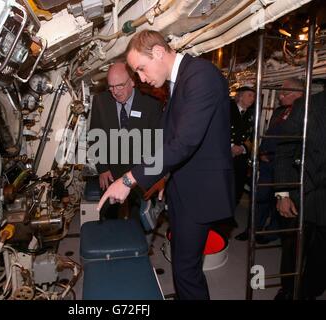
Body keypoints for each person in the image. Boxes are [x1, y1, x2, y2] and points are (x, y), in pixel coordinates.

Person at [97, 30, 235, 299]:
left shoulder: (200, 75)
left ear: (158, 53)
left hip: (201, 191)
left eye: (141, 69)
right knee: (184, 266)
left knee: (186, 269)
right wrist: (164, 176)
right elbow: (167, 138)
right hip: (184, 186)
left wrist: (128, 180)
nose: (141, 78)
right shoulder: (180, 82)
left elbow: (184, 142)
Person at [89, 61, 162, 220]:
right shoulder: (101, 101)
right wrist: (102, 168)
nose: (115, 92)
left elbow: (157, 145)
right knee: (108, 217)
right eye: (111, 87)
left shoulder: (151, 105)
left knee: (141, 219)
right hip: (110, 171)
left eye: (120, 86)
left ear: (132, 82)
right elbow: (95, 136)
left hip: (140, 171)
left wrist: (153, 175)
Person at [274, 87, 326, 300]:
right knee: (293, 249)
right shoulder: (307, 105)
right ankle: (287, 291)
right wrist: (283, 194)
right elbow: (285, 150)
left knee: (322, 257)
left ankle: (309, 294)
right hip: (304, 192)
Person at [236, 79, 303, 243]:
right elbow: (269, 133)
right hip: (267, 162)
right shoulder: (279, 111)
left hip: (286, 166)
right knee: (259, 198)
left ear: (298, 94)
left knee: (279, 201)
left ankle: (271, 233)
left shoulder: (305, 113)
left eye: (284, 93)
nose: (280, 97)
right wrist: (261, 152)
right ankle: (252, 230)